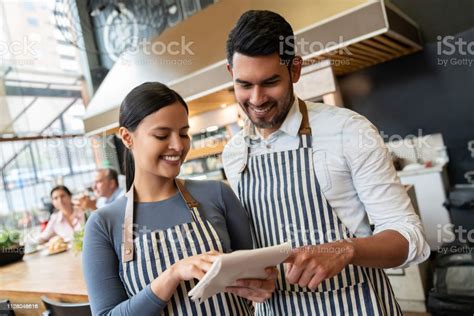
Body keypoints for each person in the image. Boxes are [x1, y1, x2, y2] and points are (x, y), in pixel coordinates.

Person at [222, 10, 430, 315]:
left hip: (356, 305)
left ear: (295, 70)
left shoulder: (349, 131)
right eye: (244, 85)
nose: (256, 99)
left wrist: (346, 249)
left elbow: (410, 236)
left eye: (269, 82)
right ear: (231, 73)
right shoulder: (234, 152)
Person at [82, 82, 277, 315]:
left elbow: (256, 276)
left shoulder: (218, 195)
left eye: (184, 133)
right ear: (127, 137)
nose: (178, 146)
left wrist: (262, 286)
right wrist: (173, 275)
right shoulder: (104, 223)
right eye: (162, 135)